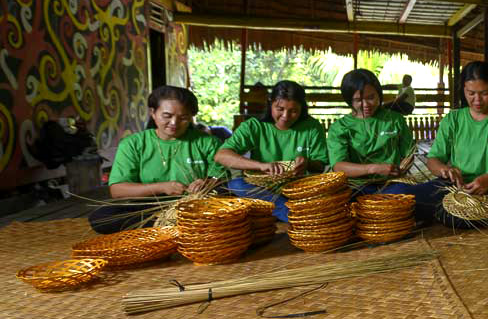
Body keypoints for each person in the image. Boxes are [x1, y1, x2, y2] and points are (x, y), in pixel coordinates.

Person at [87, 85, 225, 233]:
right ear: (153, 113)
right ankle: (175, 225)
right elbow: (117, 190)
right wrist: (162, 187)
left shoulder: (208, 142)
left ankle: (170, 227)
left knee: (231, 203)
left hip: (196, 205)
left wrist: (208, 182)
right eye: (167, 116)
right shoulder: (133, 144)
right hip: (150, 207)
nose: (174, 123)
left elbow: (221, 177)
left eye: (183, 118)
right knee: (101, 217)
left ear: (191, 117)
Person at [415, 61, 488, 228]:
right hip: (456, 188)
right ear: (463, 91)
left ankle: (436, 215)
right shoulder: (453, 119)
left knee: (458, 216)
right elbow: (433, 159)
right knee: (409, 200)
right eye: (471, 93)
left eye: (484, 93)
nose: (477, 100)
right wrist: (445, 171)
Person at [216, 80, 328, 221]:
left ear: (302, 108)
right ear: (270, 103)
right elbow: (221, 155)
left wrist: (307, 163)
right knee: (236, 185)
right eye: (280, 109)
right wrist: (260, 165)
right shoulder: (254, 126)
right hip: (264, 190)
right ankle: (293, 214)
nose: (286, 116)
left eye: (293, 111)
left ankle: (283, 210)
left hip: (298, 189)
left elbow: (321, 165)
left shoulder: (312, 127)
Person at [328, 68, 415, 193]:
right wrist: (373, 169)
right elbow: (339, 166)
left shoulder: (395, 120)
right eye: (358, 100)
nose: (366, 104)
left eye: (371, 97)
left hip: (392, 184)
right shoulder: (340, 127)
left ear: (379, 94)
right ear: (349, 100)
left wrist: (401, 169)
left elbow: (409, 153)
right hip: (355, 186)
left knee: (409, 194)